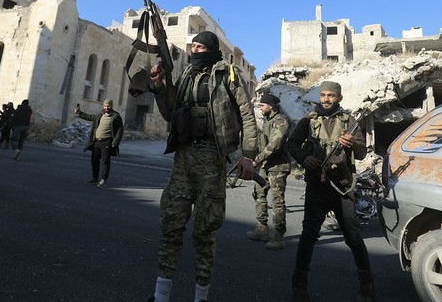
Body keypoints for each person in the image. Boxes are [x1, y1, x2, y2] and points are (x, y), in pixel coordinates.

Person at [147, 30, 257, 302]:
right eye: (192, 46)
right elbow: (169, 113)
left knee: (205, 232)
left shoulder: (227, 74)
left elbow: (246, 114)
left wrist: (248, 154)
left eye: (199, 46)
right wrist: (160, 86)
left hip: (211, 158)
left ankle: (201, 297)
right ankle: (161, 296)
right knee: (170, 225)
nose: (194, 50)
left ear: (210, 48)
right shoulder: (185, 75)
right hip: (183, 158)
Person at [286, 81, 373, 302]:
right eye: (323, 95)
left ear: (339, 98)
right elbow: (292, 144)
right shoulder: (308, 120)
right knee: (308, 235)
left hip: (343, 186)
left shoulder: (349, 121)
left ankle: (366, 285)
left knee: (353, 236)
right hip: (317, 185)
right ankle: (299, 286)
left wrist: (351, 143)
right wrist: (305, 158)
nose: (326, 99)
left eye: (331, 96)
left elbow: (362, 154)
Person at [246, 92, 292, 250]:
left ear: (271, 106)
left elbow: (274, 145)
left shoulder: (281, 121)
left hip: (278, 167)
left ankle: (278, 237)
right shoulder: (269, 121)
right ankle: (262, 229)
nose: (259, 108)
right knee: (259, 193)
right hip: (266, 165)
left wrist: (256, 161)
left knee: (277, 202)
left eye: (262, 105)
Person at [75, 99, 123, 186]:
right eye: (105, 106)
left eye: (108, 106)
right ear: (103, 106)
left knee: (105, 162)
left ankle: (103, 180)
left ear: (111, 106)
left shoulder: (116, 116)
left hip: (107, 142)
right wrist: (79, 113)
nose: (106, 107)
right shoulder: (100, 114)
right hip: (96, 141)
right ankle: (95, 178)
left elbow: (120, 130)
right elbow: (90, 117)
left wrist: (116, 142)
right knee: (94, 160)